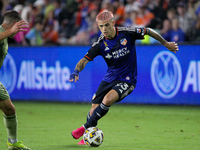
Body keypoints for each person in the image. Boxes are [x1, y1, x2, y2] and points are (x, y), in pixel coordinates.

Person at [69, 10, 178, 145]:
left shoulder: (127, 32)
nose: (104, 29)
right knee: (94, 107)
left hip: (128, 79)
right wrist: (76, 71)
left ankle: (84, 128)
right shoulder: (100, 44)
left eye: (107, 25)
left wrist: (166, 43)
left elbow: (148, 30)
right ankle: (87, 136)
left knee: (108, 99)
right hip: (110, 78)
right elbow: (84, 60)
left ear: (113, 23)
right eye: (101, 26)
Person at [0, 10, 31, 150]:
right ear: (12, 25)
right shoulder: (2, 33)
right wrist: (9, 32)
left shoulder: (5, 37)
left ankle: (12, 143)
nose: (18, 31)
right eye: (17, 27)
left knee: (9, 109)